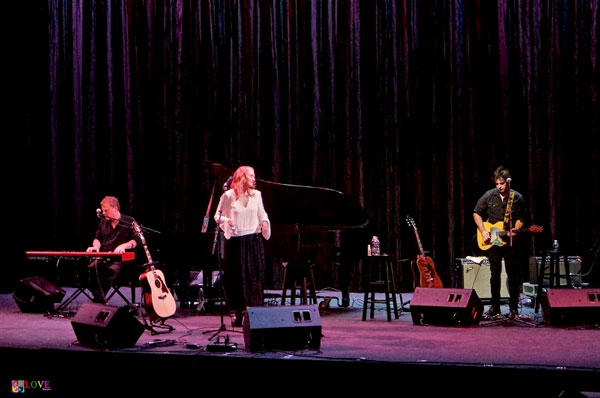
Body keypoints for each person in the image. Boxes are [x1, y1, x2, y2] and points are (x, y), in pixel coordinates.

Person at [214, 166, 271, 326]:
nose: (254, 178)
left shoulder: (257, 195)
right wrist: (226, 221)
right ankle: (237, 312)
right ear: (243, 178)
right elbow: (217, 215)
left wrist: (265, 223)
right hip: (236, 243)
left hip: (253, 241)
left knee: (254, 277)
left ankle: (254, 312)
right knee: (236, 277)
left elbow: (263, 214)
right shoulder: (228, 196)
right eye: (251, 176)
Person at [473, 166, 526, 319]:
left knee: (512, 274)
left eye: (502, 183)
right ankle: (495, 308)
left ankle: (514, 308)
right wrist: (483, 231)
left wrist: (516, 230)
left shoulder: (517, 197)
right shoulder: (489, 195)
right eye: (497, 184)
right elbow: (476, 212)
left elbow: (521, 218)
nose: (499, 186)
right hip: (493, 241)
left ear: (508, 182)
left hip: (509, 241)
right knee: (494, 274)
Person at [86, 196, 139, 303]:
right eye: (103, 210)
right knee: (89, 269)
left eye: (106, 210)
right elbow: (97, 238)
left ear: (115, 208)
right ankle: (99, 298)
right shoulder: (104, 222)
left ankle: (98, 300)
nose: (104, 213)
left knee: (108, 272)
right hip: (106, 257)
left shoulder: (129, 221)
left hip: (123, 259)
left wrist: (124, 246)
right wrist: (96, 246)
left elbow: (136, 241)